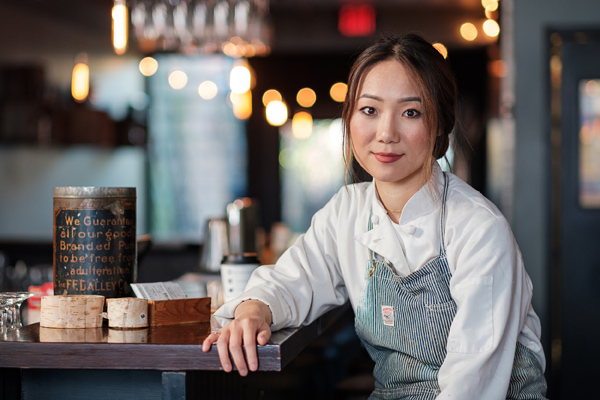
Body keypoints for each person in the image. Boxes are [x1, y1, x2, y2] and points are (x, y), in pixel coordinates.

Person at [202, 33, 548, 399]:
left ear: (440, 128)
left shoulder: (479, 228)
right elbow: (293, 280)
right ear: (350, 118)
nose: (386, 133)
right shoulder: (348, 211)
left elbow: (474, 384)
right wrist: (254, 310)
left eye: (411, 113)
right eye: (370, 110)